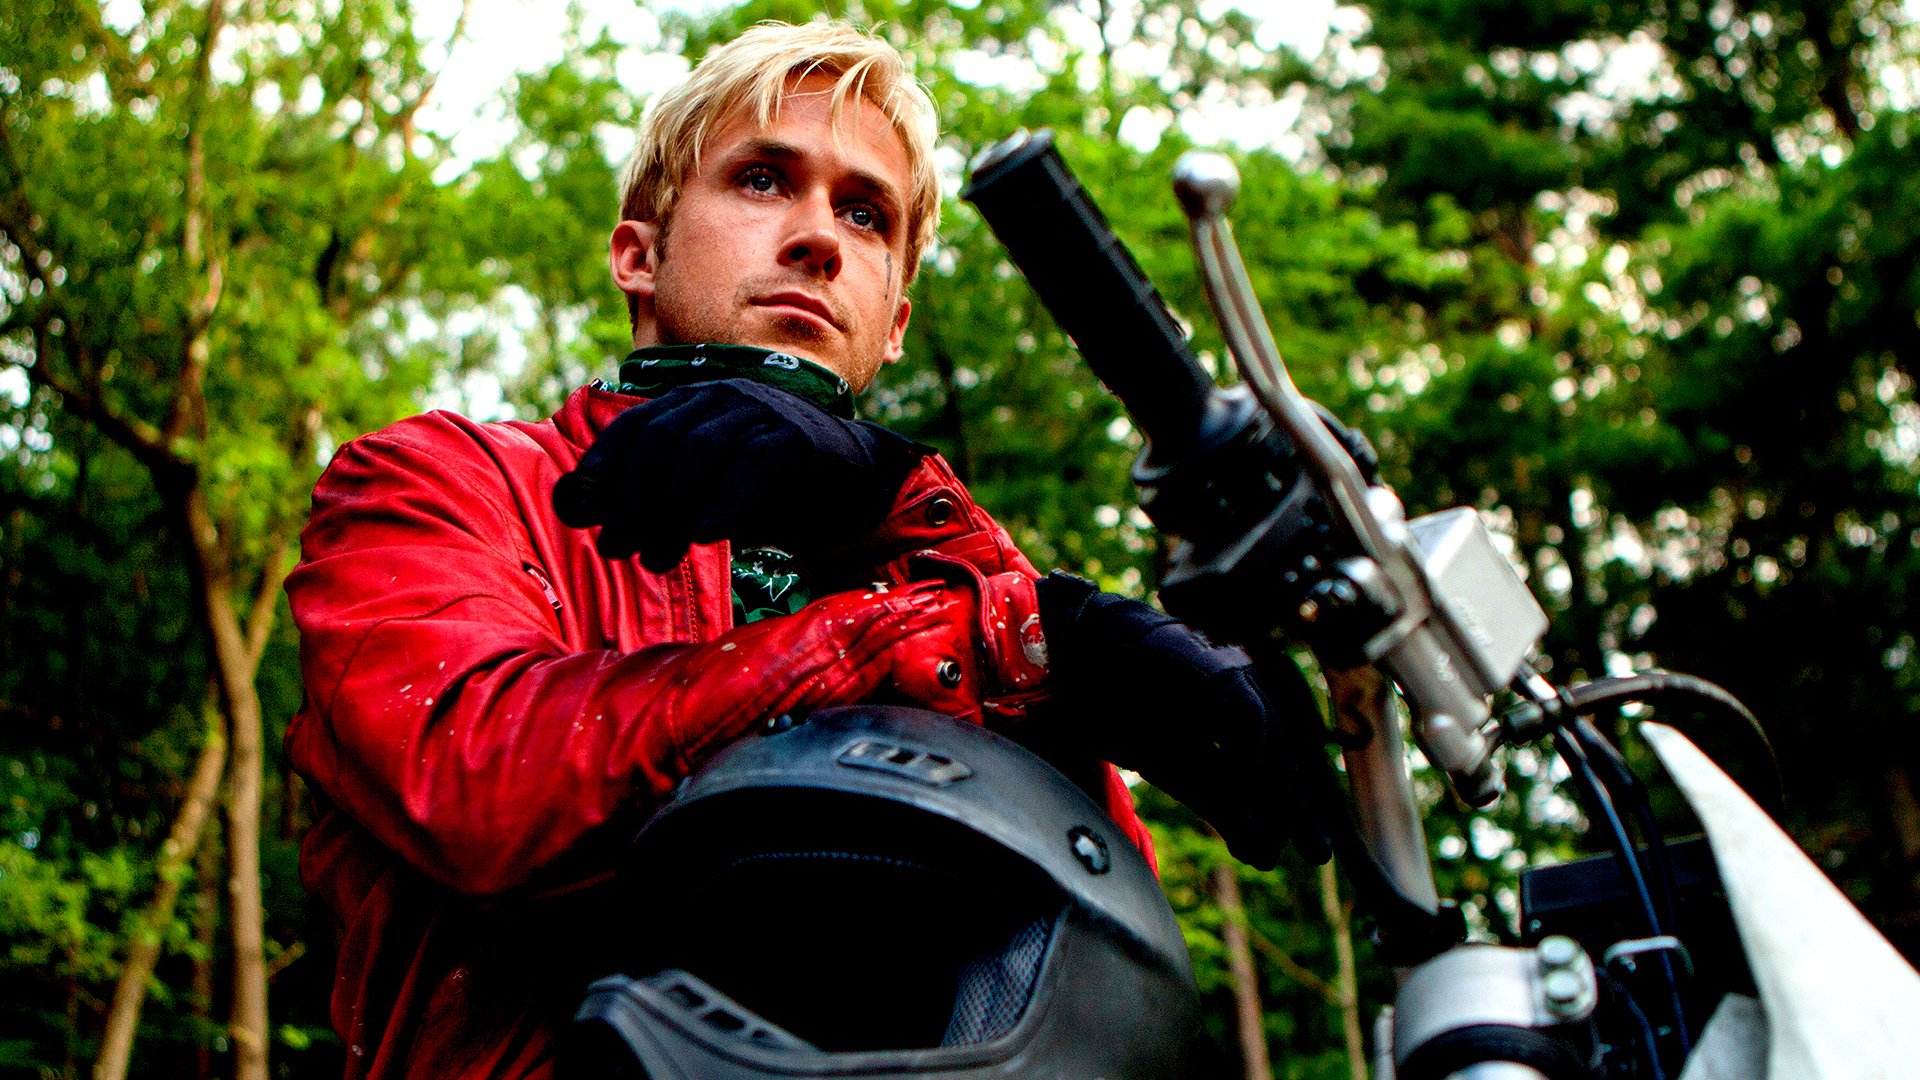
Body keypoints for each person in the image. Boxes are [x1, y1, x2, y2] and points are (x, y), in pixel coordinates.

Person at [286, 20, 1317, 1079]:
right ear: (638, 254)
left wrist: (916, 519)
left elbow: (1088, 972)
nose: (820, 236)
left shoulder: (957, 580)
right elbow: (478, 782)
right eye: (764, 179)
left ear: (895, 320)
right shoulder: (439, 479)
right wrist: (996, 645)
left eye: (866, 213)